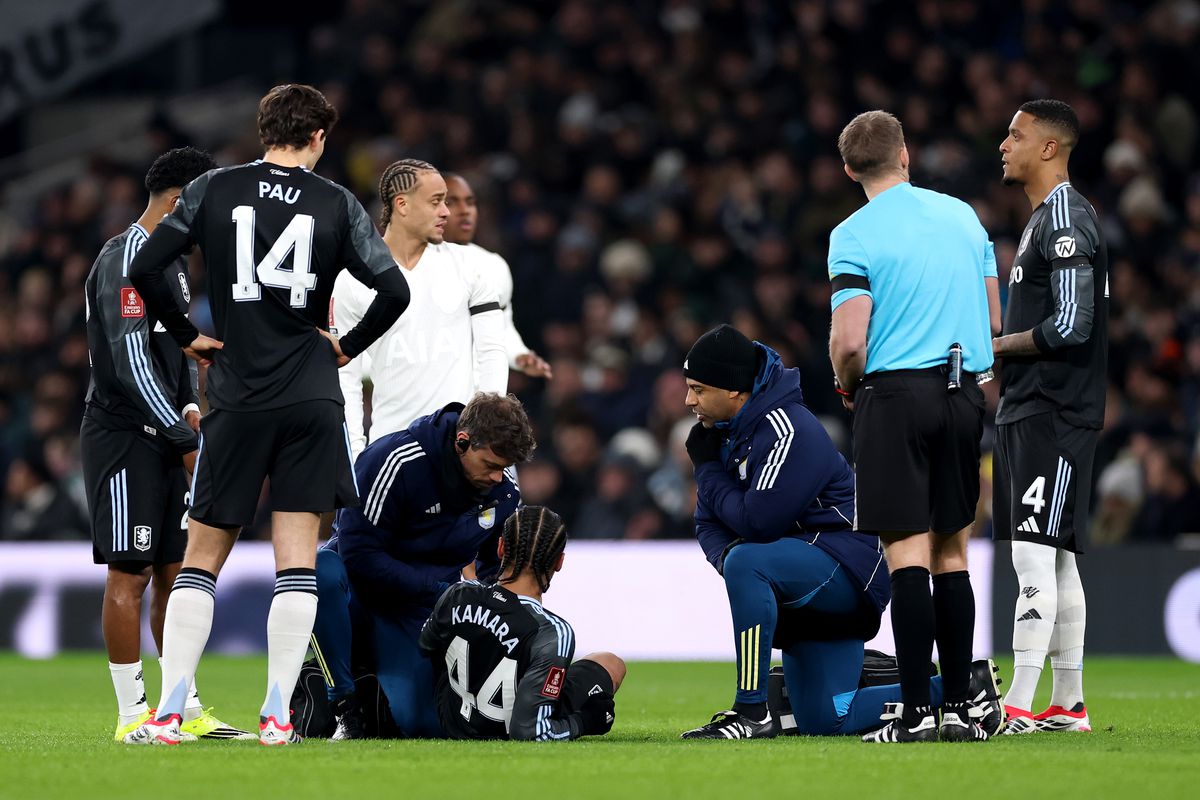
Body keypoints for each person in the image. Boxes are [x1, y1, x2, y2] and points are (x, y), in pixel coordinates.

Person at [123, 84, 411, 746]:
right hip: (310, 393)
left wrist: (187, 334)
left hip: (236, 391)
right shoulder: (336, 202)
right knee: (296, 558)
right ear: (317, 139)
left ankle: (169, 709)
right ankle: (278, 712)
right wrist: (346, 347)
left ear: (263, 132)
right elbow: (393, 289)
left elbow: (144, 265)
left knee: (202, 554)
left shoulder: (212, 191)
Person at [677, 325, 1003, 739]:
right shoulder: (723, 437)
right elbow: (707, 521)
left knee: (748, 560)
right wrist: (735, 563)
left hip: (849, 570)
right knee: (827, 719)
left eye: (699, 389)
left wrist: (708, 474)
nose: (689, 400)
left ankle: (751, 710)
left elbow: (758, 522)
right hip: (804, 586)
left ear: (736, 391)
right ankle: (963, 687)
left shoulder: (786, 427)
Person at [828, 111, 1001, 743]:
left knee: (907, 553)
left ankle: (915, 714)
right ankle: (961, 707)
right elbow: (990, 316)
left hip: (894, 394)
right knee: (953, 553)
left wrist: (847, 383)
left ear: (850, 169)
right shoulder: (963, 216)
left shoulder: (852, 233)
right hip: (962, 392)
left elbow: (850, 339)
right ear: (906, 154)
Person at [80, 146, 252, 742]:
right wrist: (183, 437)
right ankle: (132, 716)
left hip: (164, 431)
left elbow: (175, 354)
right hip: (123, 437)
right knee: (130, 572)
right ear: (181, 200)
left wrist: (187, 411)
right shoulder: (124, 260)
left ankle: (181, 706)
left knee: (177, 574)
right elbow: (129, 361)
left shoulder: (172, 265)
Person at [311, 392, 531, 739]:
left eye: (503, 469)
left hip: (421, 612)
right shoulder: (394, 461)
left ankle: (366, 684)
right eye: (490, 465)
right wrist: (440, 590)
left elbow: (496, 571)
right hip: (358, 594)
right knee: (319, 571)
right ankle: (343, 703)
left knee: (423, 725)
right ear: (463, 442)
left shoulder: (504, 494)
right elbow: (358, 555)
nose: (496, 477)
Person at [993, 99, 1109, 734]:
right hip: (1032, 406)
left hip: (1055, 408)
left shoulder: (1064, 213)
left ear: (1048, 148)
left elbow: (1072, 322)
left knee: (1033, 556)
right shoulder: (1043, 219)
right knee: (1056, 559)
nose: (1003, 144)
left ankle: (1018, 705)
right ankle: (1067, 704)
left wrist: (996, 347)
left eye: (1015, 134)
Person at [331, 161, 508, 460]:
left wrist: (484, 434)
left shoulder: (471, 268)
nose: (447, 212)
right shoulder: (352, 281)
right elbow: (345, 379)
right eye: (436, 201)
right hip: (389, 451)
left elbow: (491, 352)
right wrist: (356, 454)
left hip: (460, 450)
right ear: (402, 204)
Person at [419, 505, 624, 740]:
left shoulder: (458, 594)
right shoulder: (552, 632)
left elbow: (427, 645)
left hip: (453, 722)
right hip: (512, 724)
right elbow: (531, 732)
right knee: (612, 664)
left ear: (501, 547)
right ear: (559, 562)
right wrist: (585, 721)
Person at [440, 173, 552, 380]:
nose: (465, 211)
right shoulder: (408, 264)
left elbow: (500, 328)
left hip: (477, 398)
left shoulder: (493, 265)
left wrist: (519, 355)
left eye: (471, 203)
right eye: (452, 202)